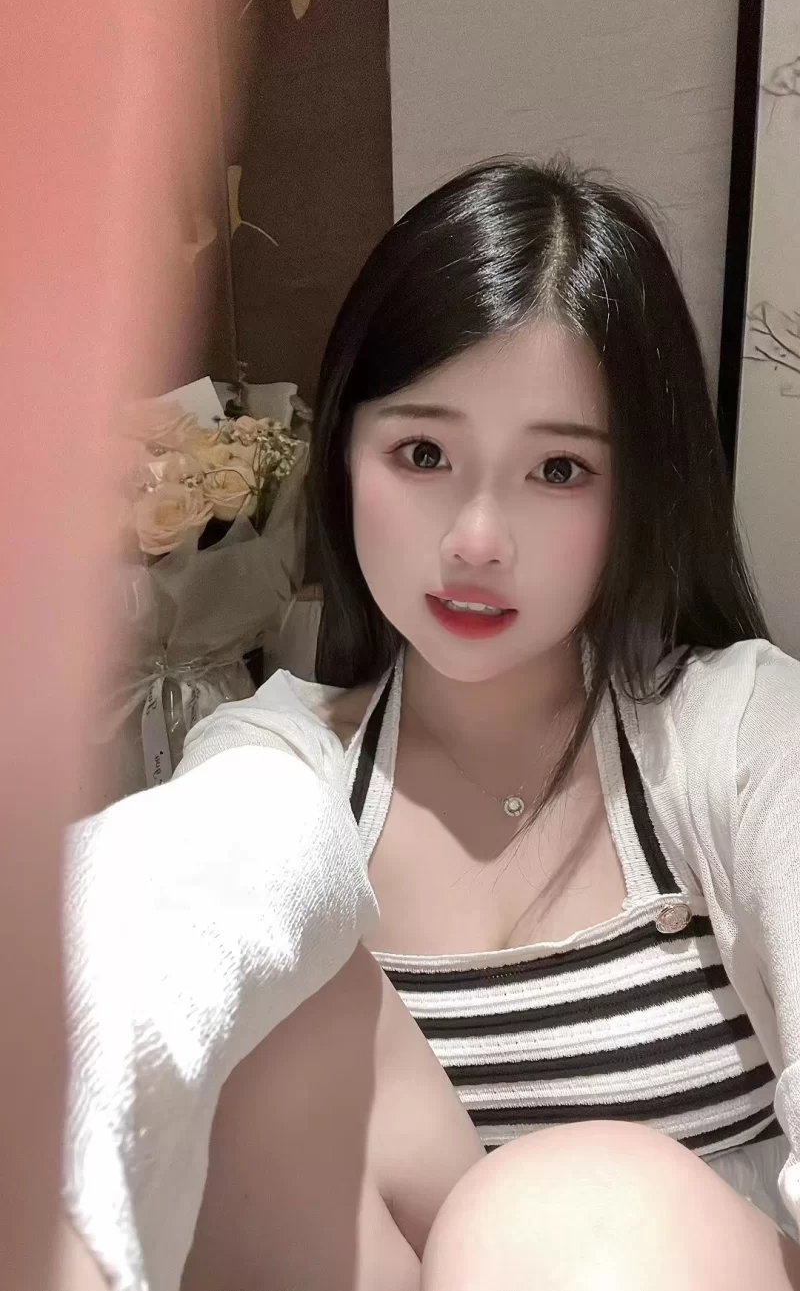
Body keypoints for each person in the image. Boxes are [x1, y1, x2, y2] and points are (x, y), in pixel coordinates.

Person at [65, 158, 800, 1291]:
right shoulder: (291, 762)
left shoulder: (732, 731)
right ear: (345, 459)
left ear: (640, 493)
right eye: (422, 454)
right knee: (252, 1029)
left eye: (558, 468)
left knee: (568, 1203)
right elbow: (169, 898)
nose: (475, 539)